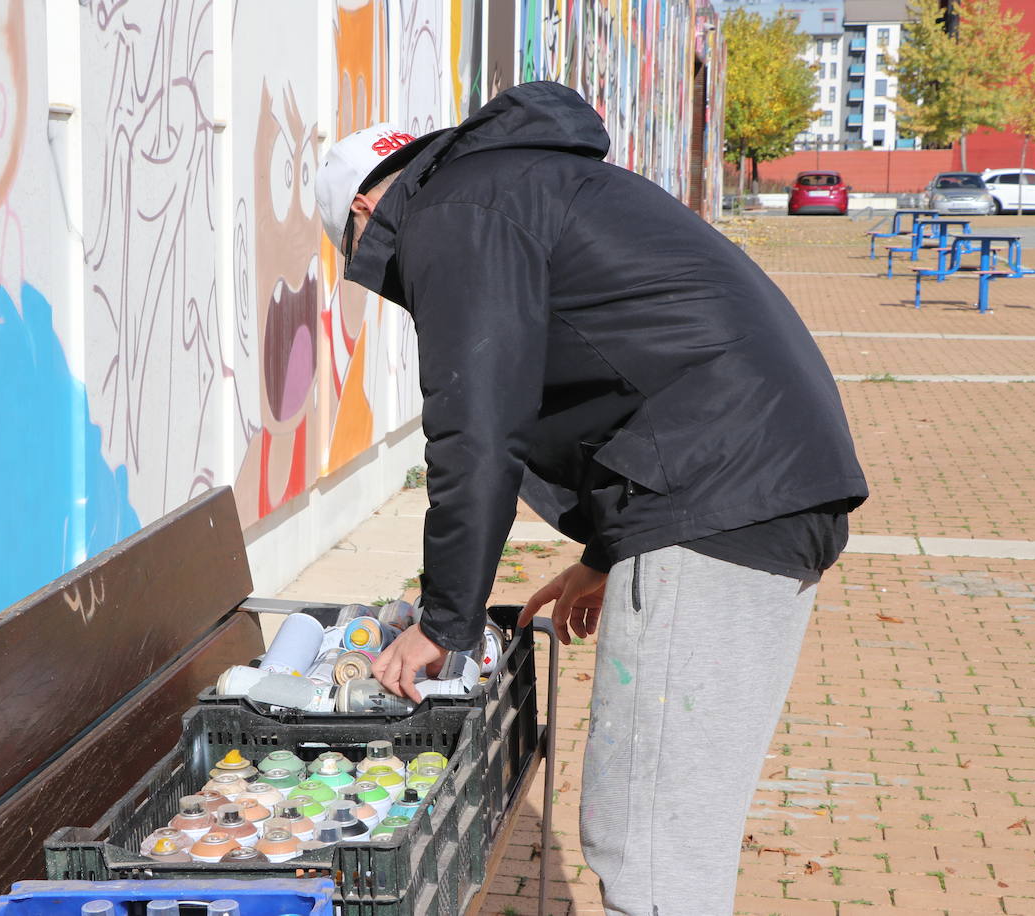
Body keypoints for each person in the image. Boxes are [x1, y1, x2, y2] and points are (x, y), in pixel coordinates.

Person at [314, 81, 867, 916]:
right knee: (676, 831)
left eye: (364, 253)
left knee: (646, 847)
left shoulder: (457, 211)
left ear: (366, 207)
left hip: (719, 497)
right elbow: (630, 355)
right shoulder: (519, 183)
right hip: (757, 483)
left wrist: (444, 623)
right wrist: (604, 552)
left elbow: (476, 428)